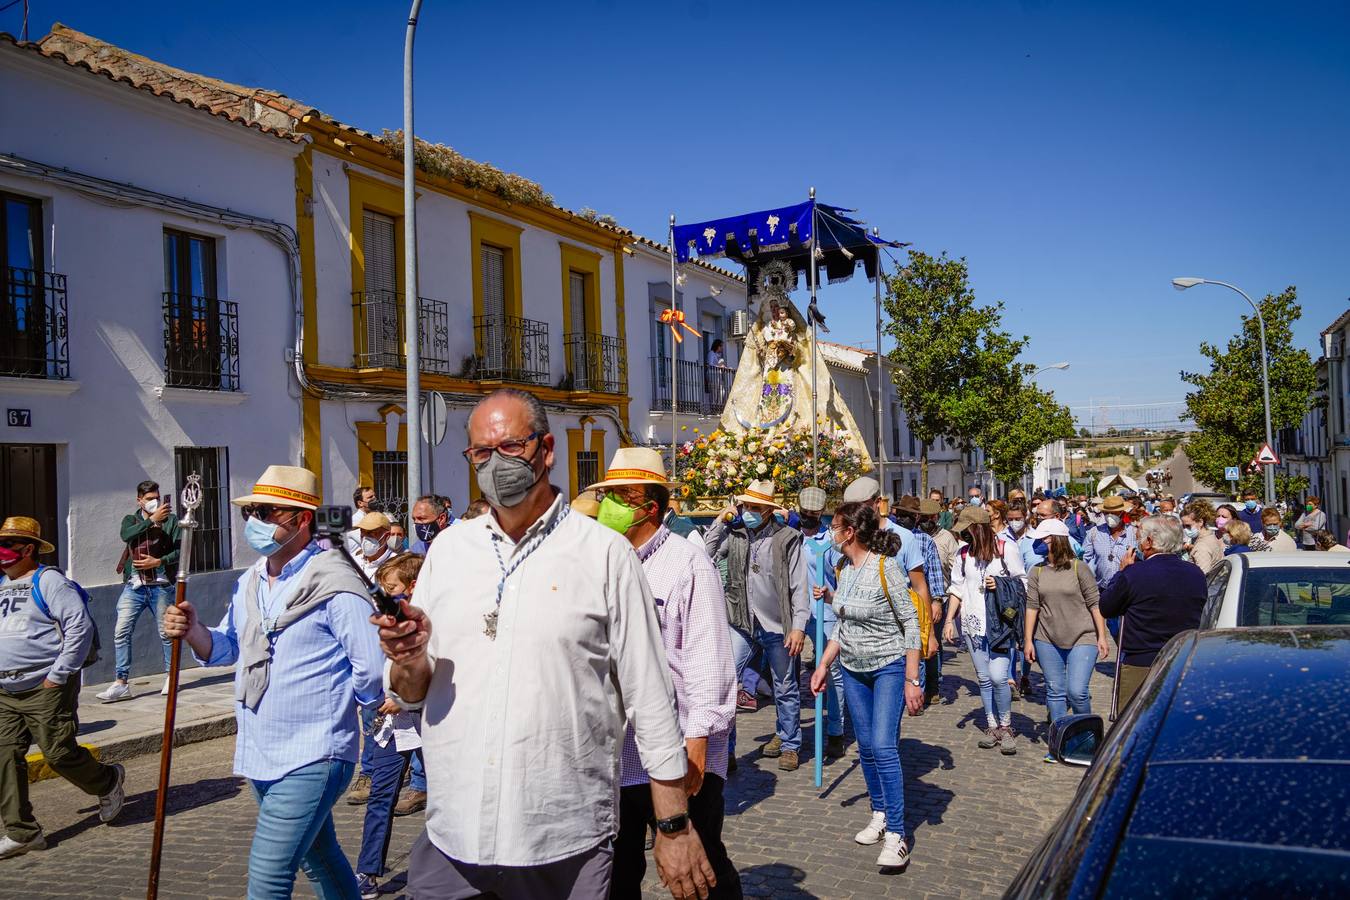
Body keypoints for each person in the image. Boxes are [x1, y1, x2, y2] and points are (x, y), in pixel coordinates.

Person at [371, 389, 715, 900]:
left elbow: (650, 697)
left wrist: (673, 826)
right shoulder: (447, 551)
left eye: (510, 446)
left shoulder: (603, 554)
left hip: (563, 840)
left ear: (546, 449)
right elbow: (413, 692)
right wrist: (408, 657)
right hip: (454, 837)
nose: (495, 464)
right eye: (481, 453)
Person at [163, 464, 384, 898]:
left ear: (301, 519)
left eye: (266, 513)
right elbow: (228, 648)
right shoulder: (249, 582)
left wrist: (342, 711)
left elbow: (372, 668)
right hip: (261, 745)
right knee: (320, 859)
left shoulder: (336, 582)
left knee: (267, 876)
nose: (255, 523)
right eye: (252, 513)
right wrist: (193, 630)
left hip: (314, 750)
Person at [586, 448, 740, 900]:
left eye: (618, 496)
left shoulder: (687, 564)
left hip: (676, 749)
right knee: (616, 871)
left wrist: (698, 742)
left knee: (698, 865)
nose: (606, 505)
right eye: (606, 495)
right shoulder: (600, 559)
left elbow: (707, 657)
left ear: (648, 507)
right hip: (617, 750)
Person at [0, 517, 126, 859]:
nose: (3, 550)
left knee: (57, 753)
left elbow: (78, 627)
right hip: (6, 691)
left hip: (45, 684)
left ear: (28, 549)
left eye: (10, 545)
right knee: (4, 757)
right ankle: (22, 832)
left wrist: (59, 674)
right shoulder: (1, 585)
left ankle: (107, 781)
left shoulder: (49, 581)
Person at [811, 502, 922, 870]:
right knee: (866, 749)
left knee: (883, 745)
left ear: (851, 532)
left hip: (889, 666)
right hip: (853, 668)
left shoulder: (885, 567)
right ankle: (878, 813)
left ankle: (897, 833)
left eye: (835, 525)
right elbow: (842, 625)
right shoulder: (843, 568)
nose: (830, 530)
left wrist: (912, 678)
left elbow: (910, 625)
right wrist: (824, 664)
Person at [706, 480, 811, 772]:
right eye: (745, 506)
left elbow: (800, 585)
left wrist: (799, 626)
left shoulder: (788, 538)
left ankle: (790, 744)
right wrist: (719, 521)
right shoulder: (736, 534)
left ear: (767, 511)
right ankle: (725, 750)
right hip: (741, 621)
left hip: (778, 624)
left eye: (754, 508)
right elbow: (707, 553)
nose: (748, 511)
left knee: (785, 685)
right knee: (727, 683)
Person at [356, 553, 426, 900]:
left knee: (448, 796)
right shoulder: (389, 618)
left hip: (432, 722)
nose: (387, 594)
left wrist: (406, 695)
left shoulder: (434, 617)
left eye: (393, 588)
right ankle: (367, 871)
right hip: (394, 725)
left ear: (412, 587)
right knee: (381, 797)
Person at [942, 506, 1027, 754]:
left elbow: (1023, 582)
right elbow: (957, 588)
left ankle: (1006, 725)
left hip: (1000, 624)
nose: (962, 536)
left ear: (976, 529)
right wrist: (949, 621)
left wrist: (999, 584)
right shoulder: (963, 554)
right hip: (972, 623)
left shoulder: (1005, 549)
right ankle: (992, 725)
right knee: (983, 678)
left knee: (999, 676)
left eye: (966, 531)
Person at [1099, 516, 1206, 710]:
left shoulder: (1134, 573)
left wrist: (1121, 572)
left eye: (1139, 537)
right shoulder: (1196, 573)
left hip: (1142, 662)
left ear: (1149, 542)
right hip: (1183, 659)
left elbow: (1106, 607)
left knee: (1132, 722)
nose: (1137, 542)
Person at [1023, 519, 1109, 759]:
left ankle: (1087, 740)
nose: (1038, 543)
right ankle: (1059, 744)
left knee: (1077, 691)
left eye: (1043, 539)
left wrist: (1102, 636)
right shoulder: (1037, 571)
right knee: (1055, 691)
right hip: (1047, 637)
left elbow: (1094, 603)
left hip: (1083, 635)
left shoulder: (1078, 568)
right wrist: (1028, 640)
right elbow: (1032, 607)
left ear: (1055, 540)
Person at [98, 479, 180, 702]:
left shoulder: (171, 521)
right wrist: (151, 520)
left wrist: (159, 561)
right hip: (134, 586)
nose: (154, 502)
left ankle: (171, 676)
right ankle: (121, 683)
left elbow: (180, 552)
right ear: (139, 500)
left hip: (161, 586)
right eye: (149, 499)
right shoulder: (131, 520)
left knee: (166, 633)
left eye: (156, 498)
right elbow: (127, 535)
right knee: (121, 631)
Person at [797, 486, 846, 759]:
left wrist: (830, 595)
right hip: (797, 613)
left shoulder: (830, 542)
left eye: (814, 514)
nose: (809, 518)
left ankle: (835, 730)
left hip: (824, 612)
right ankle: (788, 735)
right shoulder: (792, 538)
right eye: (805, 514)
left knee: (830, 670)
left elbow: (841, 577)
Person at [892, 496, 946, 708]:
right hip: (895, 599)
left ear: (916, 517)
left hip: (918, 599)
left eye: (909, 516)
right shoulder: (889, 537)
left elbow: (933, 574)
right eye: (901, 515)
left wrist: (936, 601)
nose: (904, 519)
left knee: (920, 643)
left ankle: (922, 690)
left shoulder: (925, 540)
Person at [1082, 495, 1137, 640]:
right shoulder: (1094, 533)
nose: (1109, 516)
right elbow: (1084, 559)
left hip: (1130, 590)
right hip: (1106, 589)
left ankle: (1125, 656)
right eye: (1106, 513)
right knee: (1114, 628)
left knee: (1129, 629)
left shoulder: (1135, 533)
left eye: (1113, 513)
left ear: (1122, 513)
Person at [1181, 500, 1224, 574]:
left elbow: (1203, 576)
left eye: (1188, 526)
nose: (1185, 529)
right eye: (1183, 526)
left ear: (1200, 522)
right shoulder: (1210, 536)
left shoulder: (1202, 547)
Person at [354, 512, 396, 580]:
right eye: (362, 531)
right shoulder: (354, 561)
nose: (365, 537)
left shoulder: (396, 564)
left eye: (372, 532)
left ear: (386, 536)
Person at [348, 485, 377, 555]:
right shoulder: (355, 521)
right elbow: (371, 544)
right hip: (360, 561)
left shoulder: (377, 515)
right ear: (360, 503)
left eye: (374, 496)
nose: (374, 499)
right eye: (370, 497)